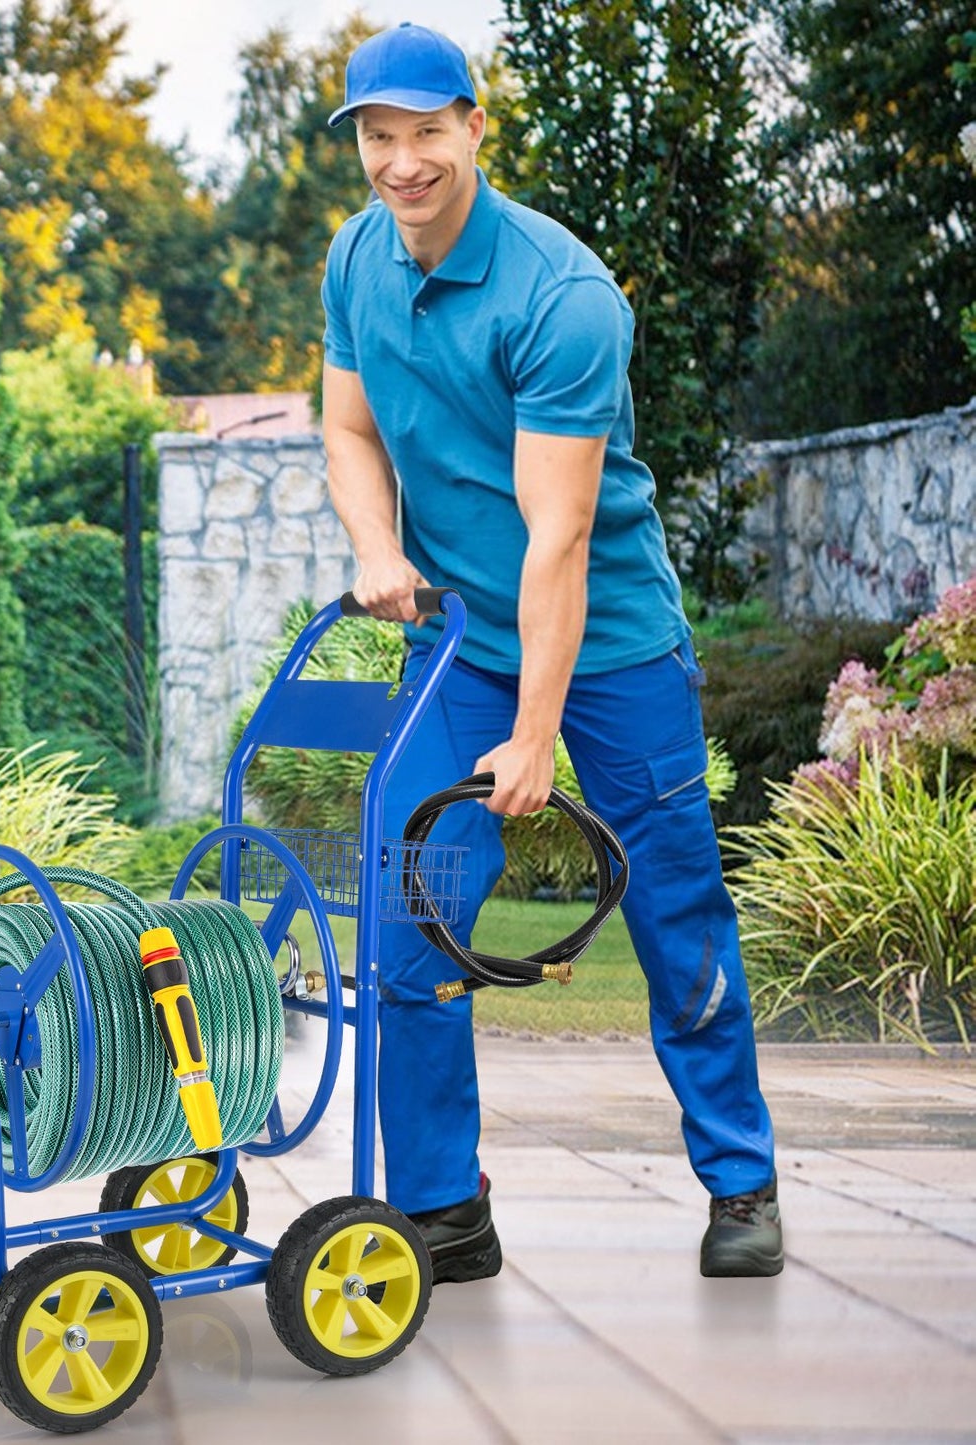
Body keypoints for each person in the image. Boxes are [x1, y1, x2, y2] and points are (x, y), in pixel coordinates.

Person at [321, 22, 782, 1280]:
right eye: (377, 135)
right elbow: (349, 430)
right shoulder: (355, 259)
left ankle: (739, 1184)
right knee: (414, 898)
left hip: (612, 645)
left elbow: (560, 538)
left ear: (474, 127)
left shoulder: (560, 296)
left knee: (676, 903)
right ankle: (439, 1207)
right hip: (460, 635)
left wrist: (534, 733)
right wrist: (374, 546)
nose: (400, 162)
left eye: (425, 132)